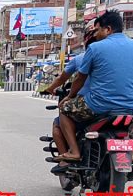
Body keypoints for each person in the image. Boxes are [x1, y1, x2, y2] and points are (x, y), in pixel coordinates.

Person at [57, 10, 133, 162]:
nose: (95, 34)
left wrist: (70, 96)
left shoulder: (95, 48)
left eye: (97, 30)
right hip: (131, 106)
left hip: (97, 106)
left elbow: (80, 78)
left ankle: (74, 152)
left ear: (108, 29)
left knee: (64, 110)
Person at [42, 24, 101, 161]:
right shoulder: (121, 57)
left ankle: (68, 157)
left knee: (62, 114)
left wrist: (58, 92)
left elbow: (68, 78)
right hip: (123, 107)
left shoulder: (82, 58)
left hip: (92, 105)